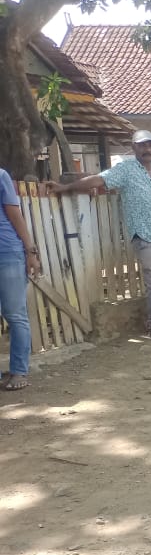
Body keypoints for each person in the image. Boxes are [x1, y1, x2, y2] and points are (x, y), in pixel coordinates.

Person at [49, 130, 151, 340]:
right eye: (142, 145)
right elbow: (98, 180)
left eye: (150, 145)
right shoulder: (126, 169)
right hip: (144, 235)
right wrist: (66, 187)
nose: (147, 149)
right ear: (135, 148)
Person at [0, 167, 39, 390]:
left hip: (7, 252)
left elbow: (15, 215)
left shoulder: (1, 176)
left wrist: (30, 252)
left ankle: (18, 371)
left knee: (15, 314)